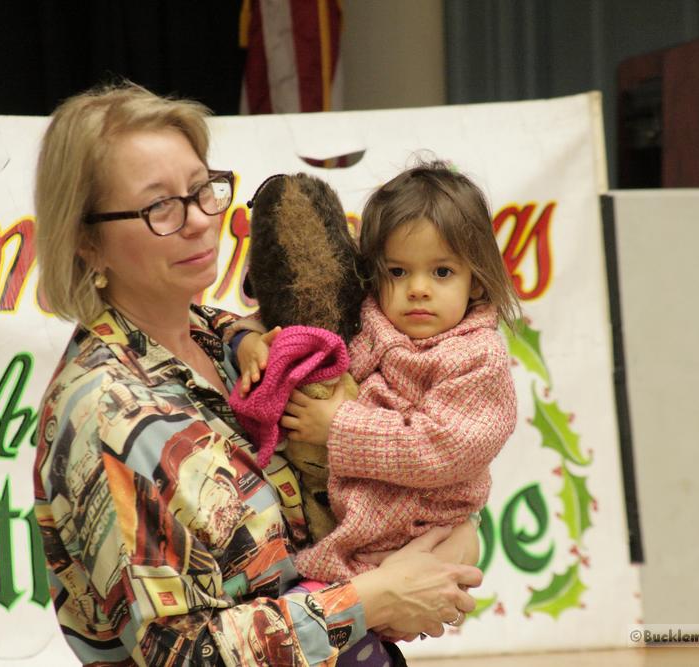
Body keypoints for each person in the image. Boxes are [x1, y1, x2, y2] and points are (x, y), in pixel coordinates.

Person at [31, 83, 481, 667]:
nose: (197, 222)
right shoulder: (107, 413)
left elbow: (408, 448)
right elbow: (179, 653)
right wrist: (372, 598)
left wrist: (455, 534)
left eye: (202, 191)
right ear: (87, 241)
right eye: (159, 206)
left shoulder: (233, 340)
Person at [278, 162, 519, 582]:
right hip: (347, 523)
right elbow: (286, 325)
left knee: (339, 618)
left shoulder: (477, 357)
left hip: (421, 530)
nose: (418, 288)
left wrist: (339, 426)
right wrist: (248, 341)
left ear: (475, 282)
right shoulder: (365, 323)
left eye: (442, 272)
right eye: (398, 272)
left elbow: (444, 447)